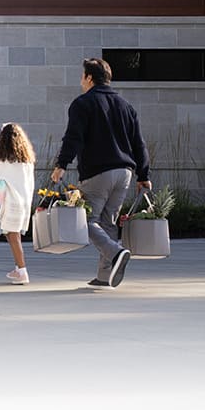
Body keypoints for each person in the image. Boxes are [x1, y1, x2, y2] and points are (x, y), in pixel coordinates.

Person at [51, 58, 151, 289]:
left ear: (89, 78)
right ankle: (105, 275)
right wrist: (143, 175)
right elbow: (139, 144)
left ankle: (115, 253)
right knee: (107, 223)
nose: (81, 81)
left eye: (82, 76)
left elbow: (73, 137)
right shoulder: (126, 106)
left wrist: (61, 164)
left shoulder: (83, 103)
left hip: (98, 172)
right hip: (125, 173)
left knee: (84, 220)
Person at [0, 123, 36, 285]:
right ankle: (18, 269)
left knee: (13, 237)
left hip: (11, 203)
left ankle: (22, 270)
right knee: (14, 235)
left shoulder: (5, 162)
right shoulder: (27, 162)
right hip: (24, 202)